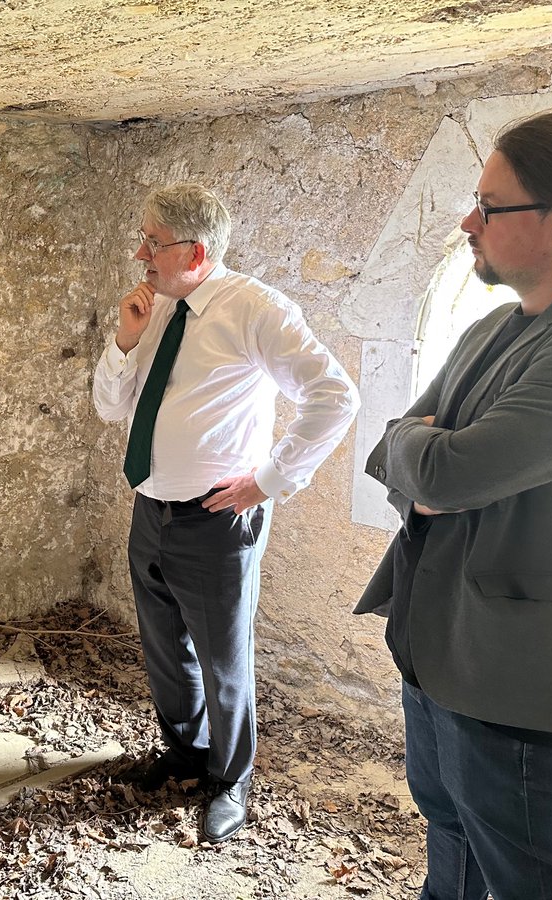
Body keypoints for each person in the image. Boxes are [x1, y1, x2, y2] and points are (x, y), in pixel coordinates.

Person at [356, 109, 552, 899]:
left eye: (489, 206)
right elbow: (390, 443)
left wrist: (422, 462)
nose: (469, 221)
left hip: (513, 665)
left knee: (531, 877)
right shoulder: (492, 327)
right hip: (434, 643)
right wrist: (419, 459)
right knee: (451, 838)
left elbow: (443, 472)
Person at [93, 183, 360, 843]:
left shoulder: (256, 310)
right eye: (145, 238)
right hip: (149, 508)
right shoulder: (152, 307)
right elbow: (109, 408)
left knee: (222, 660)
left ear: (196, 250)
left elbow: (335, 395)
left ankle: (230, 779)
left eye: (153, 242)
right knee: (164, 650)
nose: (140, 252)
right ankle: (183, 754)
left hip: (216, 521)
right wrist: (124, 341)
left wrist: (270, 479)